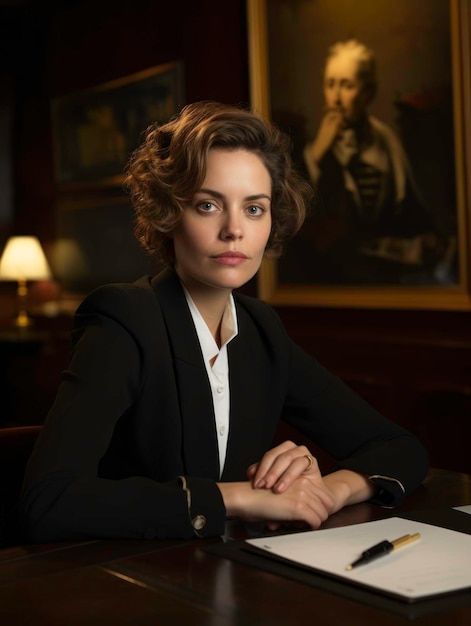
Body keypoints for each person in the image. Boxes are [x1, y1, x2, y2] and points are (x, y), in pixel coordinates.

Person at [20, 101, 428, 542]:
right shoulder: (124, 319)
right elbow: (50, 502)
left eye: (254, 208)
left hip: (234, 580)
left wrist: (326, 492)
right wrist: (240, 497)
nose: (235, 229)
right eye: (209, 205)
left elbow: (400, 449)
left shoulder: (261, 330)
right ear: (169, 214)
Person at [300, 39, 442, 284]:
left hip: (385, 273)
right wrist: (316, 157)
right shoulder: (310, 149)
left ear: (368, 92)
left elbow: (410, 208)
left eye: (347, 85)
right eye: (330, 84)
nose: (335, 98)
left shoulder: (386, 141)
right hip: (332, 277)